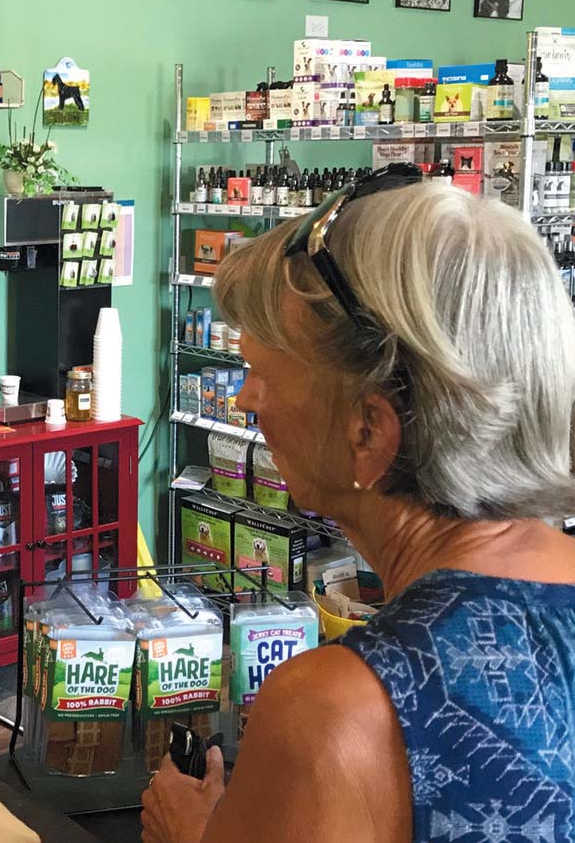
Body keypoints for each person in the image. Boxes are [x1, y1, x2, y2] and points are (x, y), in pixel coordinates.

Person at [142, 165, 575, 843]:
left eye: (262, 374)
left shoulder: (337, 712)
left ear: (368, 431)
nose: (243, 401)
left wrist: (196, 832)